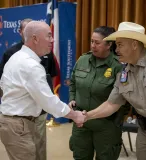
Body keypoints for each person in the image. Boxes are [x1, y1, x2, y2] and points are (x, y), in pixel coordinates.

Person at [0, 21, 86, 160]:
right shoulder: (30, 65)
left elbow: (3, 85)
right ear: (35, 38)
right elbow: (48, 101)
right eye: (49, 36)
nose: (52, 40)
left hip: (15, 123)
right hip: (18, 126)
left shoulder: (16, 57)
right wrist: (75, 116)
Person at [84, 22, 146, 160]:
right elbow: (111, 104)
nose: (116, 50)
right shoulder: (123, 74)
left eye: (120, 45)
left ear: (134, 44)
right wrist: (86, 116)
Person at [0, 18, 58, 160]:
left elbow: (51, 76)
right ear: (23, 33)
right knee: (25, 150)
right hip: (20, 114)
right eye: (48, 36)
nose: (51, 40)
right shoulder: (12, 54)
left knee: (38, 147)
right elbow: (4, 83)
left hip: (39, 110)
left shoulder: (46, 51)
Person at [69, 26, 130, 160]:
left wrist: (117, 121)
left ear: (109, 44)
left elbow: (124, 99)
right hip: (81, 123)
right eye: (91, 41)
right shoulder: (83, 60)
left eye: (97, 42)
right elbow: (73, 83)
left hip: (107, 126)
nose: (93, 45)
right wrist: (72, 99)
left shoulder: (118, 66)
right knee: (80, 156)